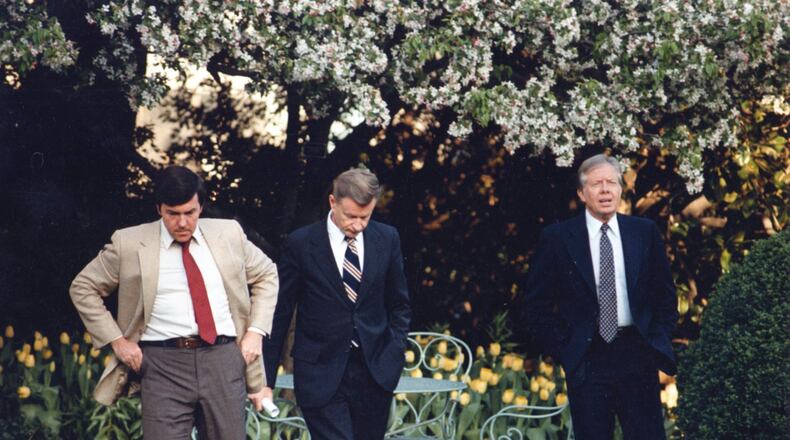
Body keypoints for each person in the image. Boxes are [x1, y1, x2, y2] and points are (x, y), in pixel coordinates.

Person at [70, 166, 278, 439]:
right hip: (162, 363)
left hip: (223, 359)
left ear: (201, 207)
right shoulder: (129, 243)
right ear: (159, 209)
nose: (182, 223)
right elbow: (83, 287)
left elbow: (266, 274)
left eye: (190, 213)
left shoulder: (228, 234)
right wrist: (118, 342)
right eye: (173, 213)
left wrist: (256, 331)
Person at [520, 154, 677, 440]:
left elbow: (665, 295)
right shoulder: (557, 238)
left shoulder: (644, 233)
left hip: (637, 353)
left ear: (620, 189)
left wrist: (656, 340)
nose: (605, 190)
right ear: (582, 193)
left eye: (611, 183)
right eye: (596, 184)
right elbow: (536, 306)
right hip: (587, 358)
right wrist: (567, 349)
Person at [262, 168, 411, 439]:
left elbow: (399, 304)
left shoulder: (387, 238)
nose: (358, 225)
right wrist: (265, 380)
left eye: (365, 217)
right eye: (351, 216)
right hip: (319, 375)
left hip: (375, 373)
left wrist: (394, 350)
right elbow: (279, 313)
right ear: (333, 202)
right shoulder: (301, 243)